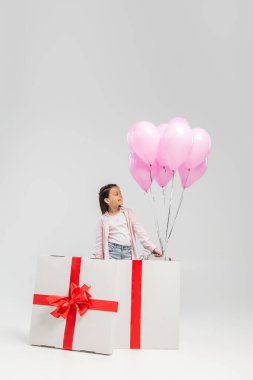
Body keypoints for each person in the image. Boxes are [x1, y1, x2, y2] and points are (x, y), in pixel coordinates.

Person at [91, 183, 163, 260]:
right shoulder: (103, 220)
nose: (120, 196)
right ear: (107, 200)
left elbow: (140, 231)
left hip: (128, 251)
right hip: (112, 251)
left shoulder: (128, 213)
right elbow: (99, 243)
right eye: (116, 194)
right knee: (112, 272)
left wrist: (153, 248)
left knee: (127, 272)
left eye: (120, 193)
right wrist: (98, 259)